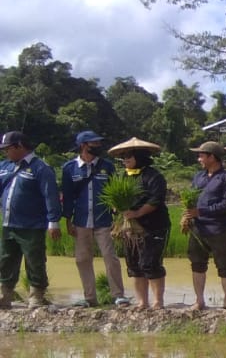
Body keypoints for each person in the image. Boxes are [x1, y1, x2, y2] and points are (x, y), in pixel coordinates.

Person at [60, 129, 127, 306]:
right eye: (94, 144)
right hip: (80, 220)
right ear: (83, 146)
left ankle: (118, 295)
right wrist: (68, 220)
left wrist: (118, 218)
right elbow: (67, 196)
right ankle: (90, 298)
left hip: (104, 220)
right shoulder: (69, 168)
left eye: (98, 143)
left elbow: (115, 194)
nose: (98, 146)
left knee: (109, 257)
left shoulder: (107, 167)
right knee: (82, 259)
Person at [0, 130, 62, 308]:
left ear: (19, 146)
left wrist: (53, 221)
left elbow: (50, 196)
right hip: (8, 223)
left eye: (8, 149)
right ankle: (5, 295)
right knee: (6, 260)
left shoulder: (41, 168)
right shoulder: (5, 167)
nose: (5, 153)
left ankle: (36, 295)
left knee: (34, 260)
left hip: (31, 225)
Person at [111, 140, 169, 310]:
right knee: (134, 265)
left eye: (128, 156)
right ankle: (142, 302)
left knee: (150, 263)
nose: (124, 159)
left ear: (139, 157)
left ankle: (158, 302)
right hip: (130, 228)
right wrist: (117, 207)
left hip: (154, 226)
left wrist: (136, 213)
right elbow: (115, 197)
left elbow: (155, 200)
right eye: (123, 156)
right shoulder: (123, 176)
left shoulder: (153, 177)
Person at [184, 141, 226, 310]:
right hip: (198, 228)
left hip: (218, 228)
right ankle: (199, 300)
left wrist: (202, 211)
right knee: (197, 263)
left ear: (212, 157)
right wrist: (188, 215)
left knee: (224, 264)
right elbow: (190, 198)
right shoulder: (198, 177)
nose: (199, 159)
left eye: (201, 155)